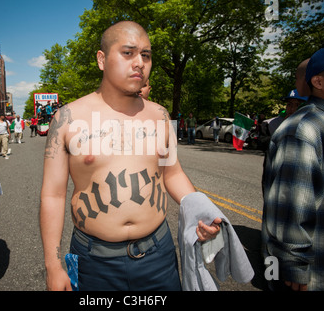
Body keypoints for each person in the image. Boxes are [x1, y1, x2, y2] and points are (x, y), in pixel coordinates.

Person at [39, 21, 221, 291]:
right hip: (93, 260)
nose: (140, 63)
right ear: (102, 59)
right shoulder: (66, 118)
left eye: (146, 55)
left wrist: (199, 211)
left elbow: (173, 173)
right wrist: (53, 266)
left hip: (158, 255)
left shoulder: (160, 115)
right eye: (128, 53)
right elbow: (52, 195)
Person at [262, 42, 324, 291]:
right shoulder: (304, 129)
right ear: (319, 82)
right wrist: (292, 264)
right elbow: (291, 204)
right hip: (318, 277)